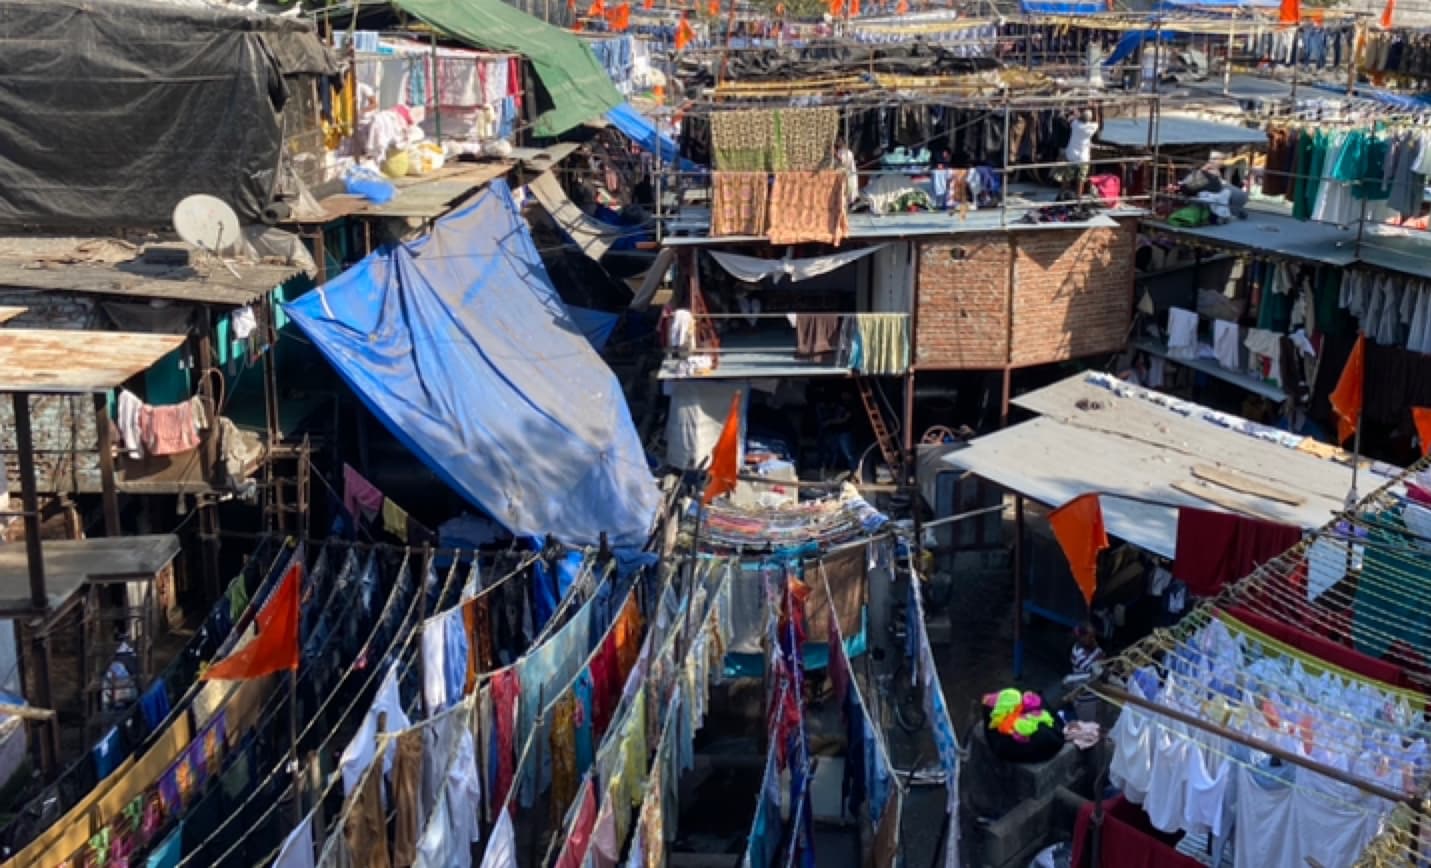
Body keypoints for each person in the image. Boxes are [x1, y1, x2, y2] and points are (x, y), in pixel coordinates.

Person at [1063, 108, 1099, 199]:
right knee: (1081, 179)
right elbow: (1096, 121)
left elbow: (1072, 118)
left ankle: (1064, 195)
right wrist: (1095, 108)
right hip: (1083, 158)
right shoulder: (1091, 128)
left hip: (1072, 156)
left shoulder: (1075, 124)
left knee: (1067, 177)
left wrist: (1076, 112)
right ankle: (1078, 197)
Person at [1065, 622, 1104, 687]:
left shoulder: (1091, 643)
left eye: (1094, 636)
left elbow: (1102, 657)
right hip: (1087, 686)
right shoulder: (1080, 654)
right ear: (1082, 637)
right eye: (1090, 637)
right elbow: (1097, 672)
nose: (1093, 639)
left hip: (1097, 676)